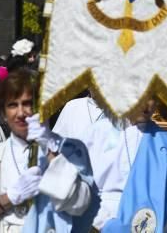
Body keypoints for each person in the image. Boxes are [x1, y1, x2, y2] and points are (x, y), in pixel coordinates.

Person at [0, 69, 98, 232]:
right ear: (3, 112)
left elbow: (81, 205)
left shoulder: (71, 150)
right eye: (13, 105)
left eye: (29, 103)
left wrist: (50, 151)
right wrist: (8, 199)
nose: (21, 113)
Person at [101, 97, 167, 232]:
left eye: (151, 97)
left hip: (151, 221)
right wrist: (103, 221)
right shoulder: (101, 132)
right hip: (107, 219)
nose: (146, 104)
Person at [52, 92, 124, 228]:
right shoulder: (72, 108)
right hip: (77, 194)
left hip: (110, 201)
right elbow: (56, 149)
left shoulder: (124, 112)